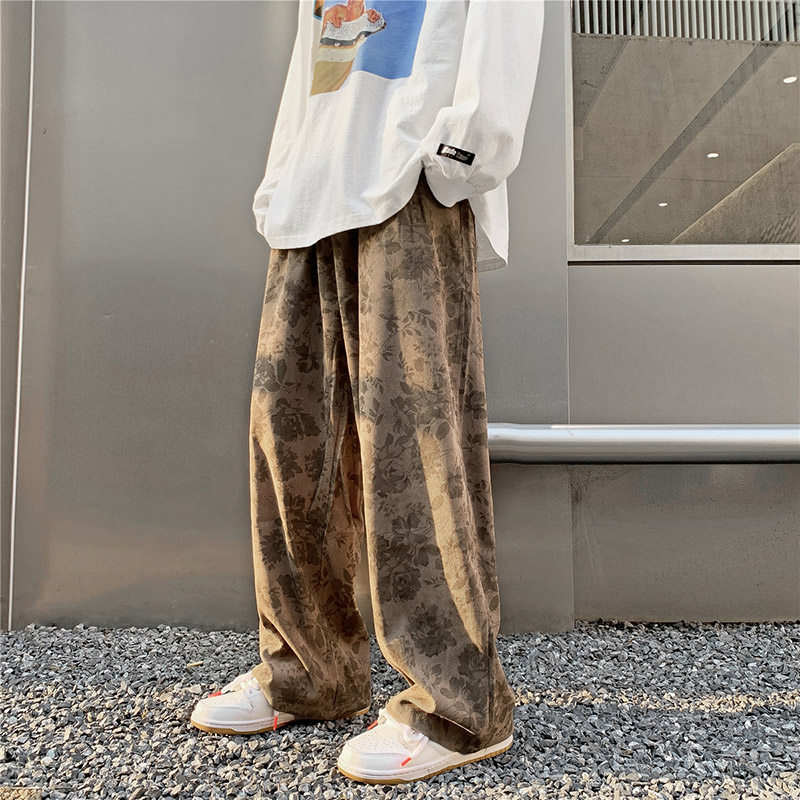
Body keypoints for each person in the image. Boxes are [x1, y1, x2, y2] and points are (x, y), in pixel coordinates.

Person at [190, 0, 544, 785]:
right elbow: (312, 64)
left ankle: (459, 706)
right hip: (311, 193)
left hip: (410, 180)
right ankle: (308, 671)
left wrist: (458, 155)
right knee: (290, 442)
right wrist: (284, 175)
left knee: (413, 447)